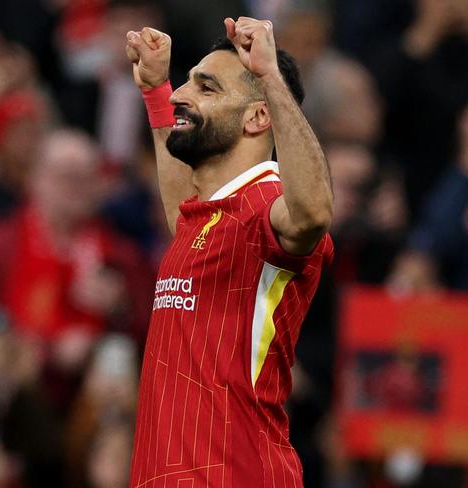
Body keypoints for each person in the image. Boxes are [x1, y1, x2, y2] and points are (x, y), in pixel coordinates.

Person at [125, 16, 333, 487]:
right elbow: (183, 216)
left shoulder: (269, 205)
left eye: (206, 88)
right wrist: (156, 92)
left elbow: (313, 214)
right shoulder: (205, 218)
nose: (183, 95)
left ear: (258, 117)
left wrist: (269, 77)